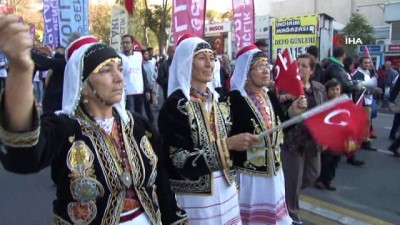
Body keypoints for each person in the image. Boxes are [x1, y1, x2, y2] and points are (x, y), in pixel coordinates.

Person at [0, 15, 187, 225]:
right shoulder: (66, 128)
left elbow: (162, 181)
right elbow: (23, 154)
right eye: (106, 70)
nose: (119, 77)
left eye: (119, 68)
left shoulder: (138, 124)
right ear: (83, 85)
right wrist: (21, 69)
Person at [158, 34, 259, 225]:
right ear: (187, 62)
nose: (209, 64)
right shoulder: (175, 106)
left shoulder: (220, 100)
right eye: (201, 58)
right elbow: (177, 159)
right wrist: (226, 145)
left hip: (227, 188)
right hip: (196, 197)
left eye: (212, 58)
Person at [228, 45, 307, 225]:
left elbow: (278, 130)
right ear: (247, 72)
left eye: (267, 65)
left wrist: (292, 113)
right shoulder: (233, 100)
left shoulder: (269, 96)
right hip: (249, 177)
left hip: (275, 173)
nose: (266, 71)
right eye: (260, 66)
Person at [279, 53, 327, 225]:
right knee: (293, 180)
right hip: (292, 142)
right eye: (297, 65)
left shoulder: (320, 88)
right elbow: (280, 112)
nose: (300, 68)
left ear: (312, 70)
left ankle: (285, 194)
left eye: (304, 66)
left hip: (313, 141)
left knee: (313, 174)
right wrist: (289, 98)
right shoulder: (288, 88)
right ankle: (292, 217)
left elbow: (324, 111)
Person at [314, 79, 343, 191]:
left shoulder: (342, 103)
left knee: (335, 160)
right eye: (332, 90)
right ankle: (320, 180)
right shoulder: (324, 104)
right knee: (325, 159)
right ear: (327, 91)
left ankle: (329, 180)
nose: (335, 92)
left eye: (337, 89)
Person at [120, 34, 150, 115]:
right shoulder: (119, 57)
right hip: (127, 92)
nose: (125, 45)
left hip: (139, 91)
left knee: (140, 115)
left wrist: (147, 89)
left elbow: (143, 73)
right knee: (131, 115)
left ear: (132, 44)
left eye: (127, 42)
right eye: (123, 43)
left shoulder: (138, 56)